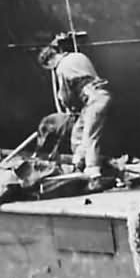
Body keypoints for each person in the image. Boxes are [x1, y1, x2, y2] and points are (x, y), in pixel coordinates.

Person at [37, 36, 113, 189]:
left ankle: (94, 175)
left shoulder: (60, 68)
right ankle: (78, 163)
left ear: (49, 62)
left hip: (93, 100)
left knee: (90, 136)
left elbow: (66, 96)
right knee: (78, 132)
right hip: (100, 95)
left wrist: (69, 108)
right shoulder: (78, 56)